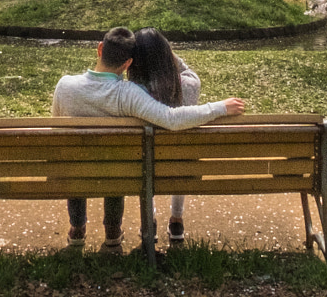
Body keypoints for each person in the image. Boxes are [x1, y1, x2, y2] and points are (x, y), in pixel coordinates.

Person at [51, 27, 246, 251]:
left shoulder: (64, 86)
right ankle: (112, 232)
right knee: (115, 166)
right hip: (115, 175)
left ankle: (77, 229)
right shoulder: (127, 94)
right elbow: (171, 119)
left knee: (77, 161)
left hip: (74, 173)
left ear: (100, 49)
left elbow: (59, 130)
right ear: (127, 64)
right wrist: (219, 107)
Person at [127, 28, 203, 245]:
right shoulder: (190, 86)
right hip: (179, 165)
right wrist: (167, 53)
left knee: (145, 162)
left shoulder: (132, 91)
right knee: (181, 157)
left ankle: (148, 221)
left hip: (145, 163)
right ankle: (176, 219)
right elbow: (188, 71)